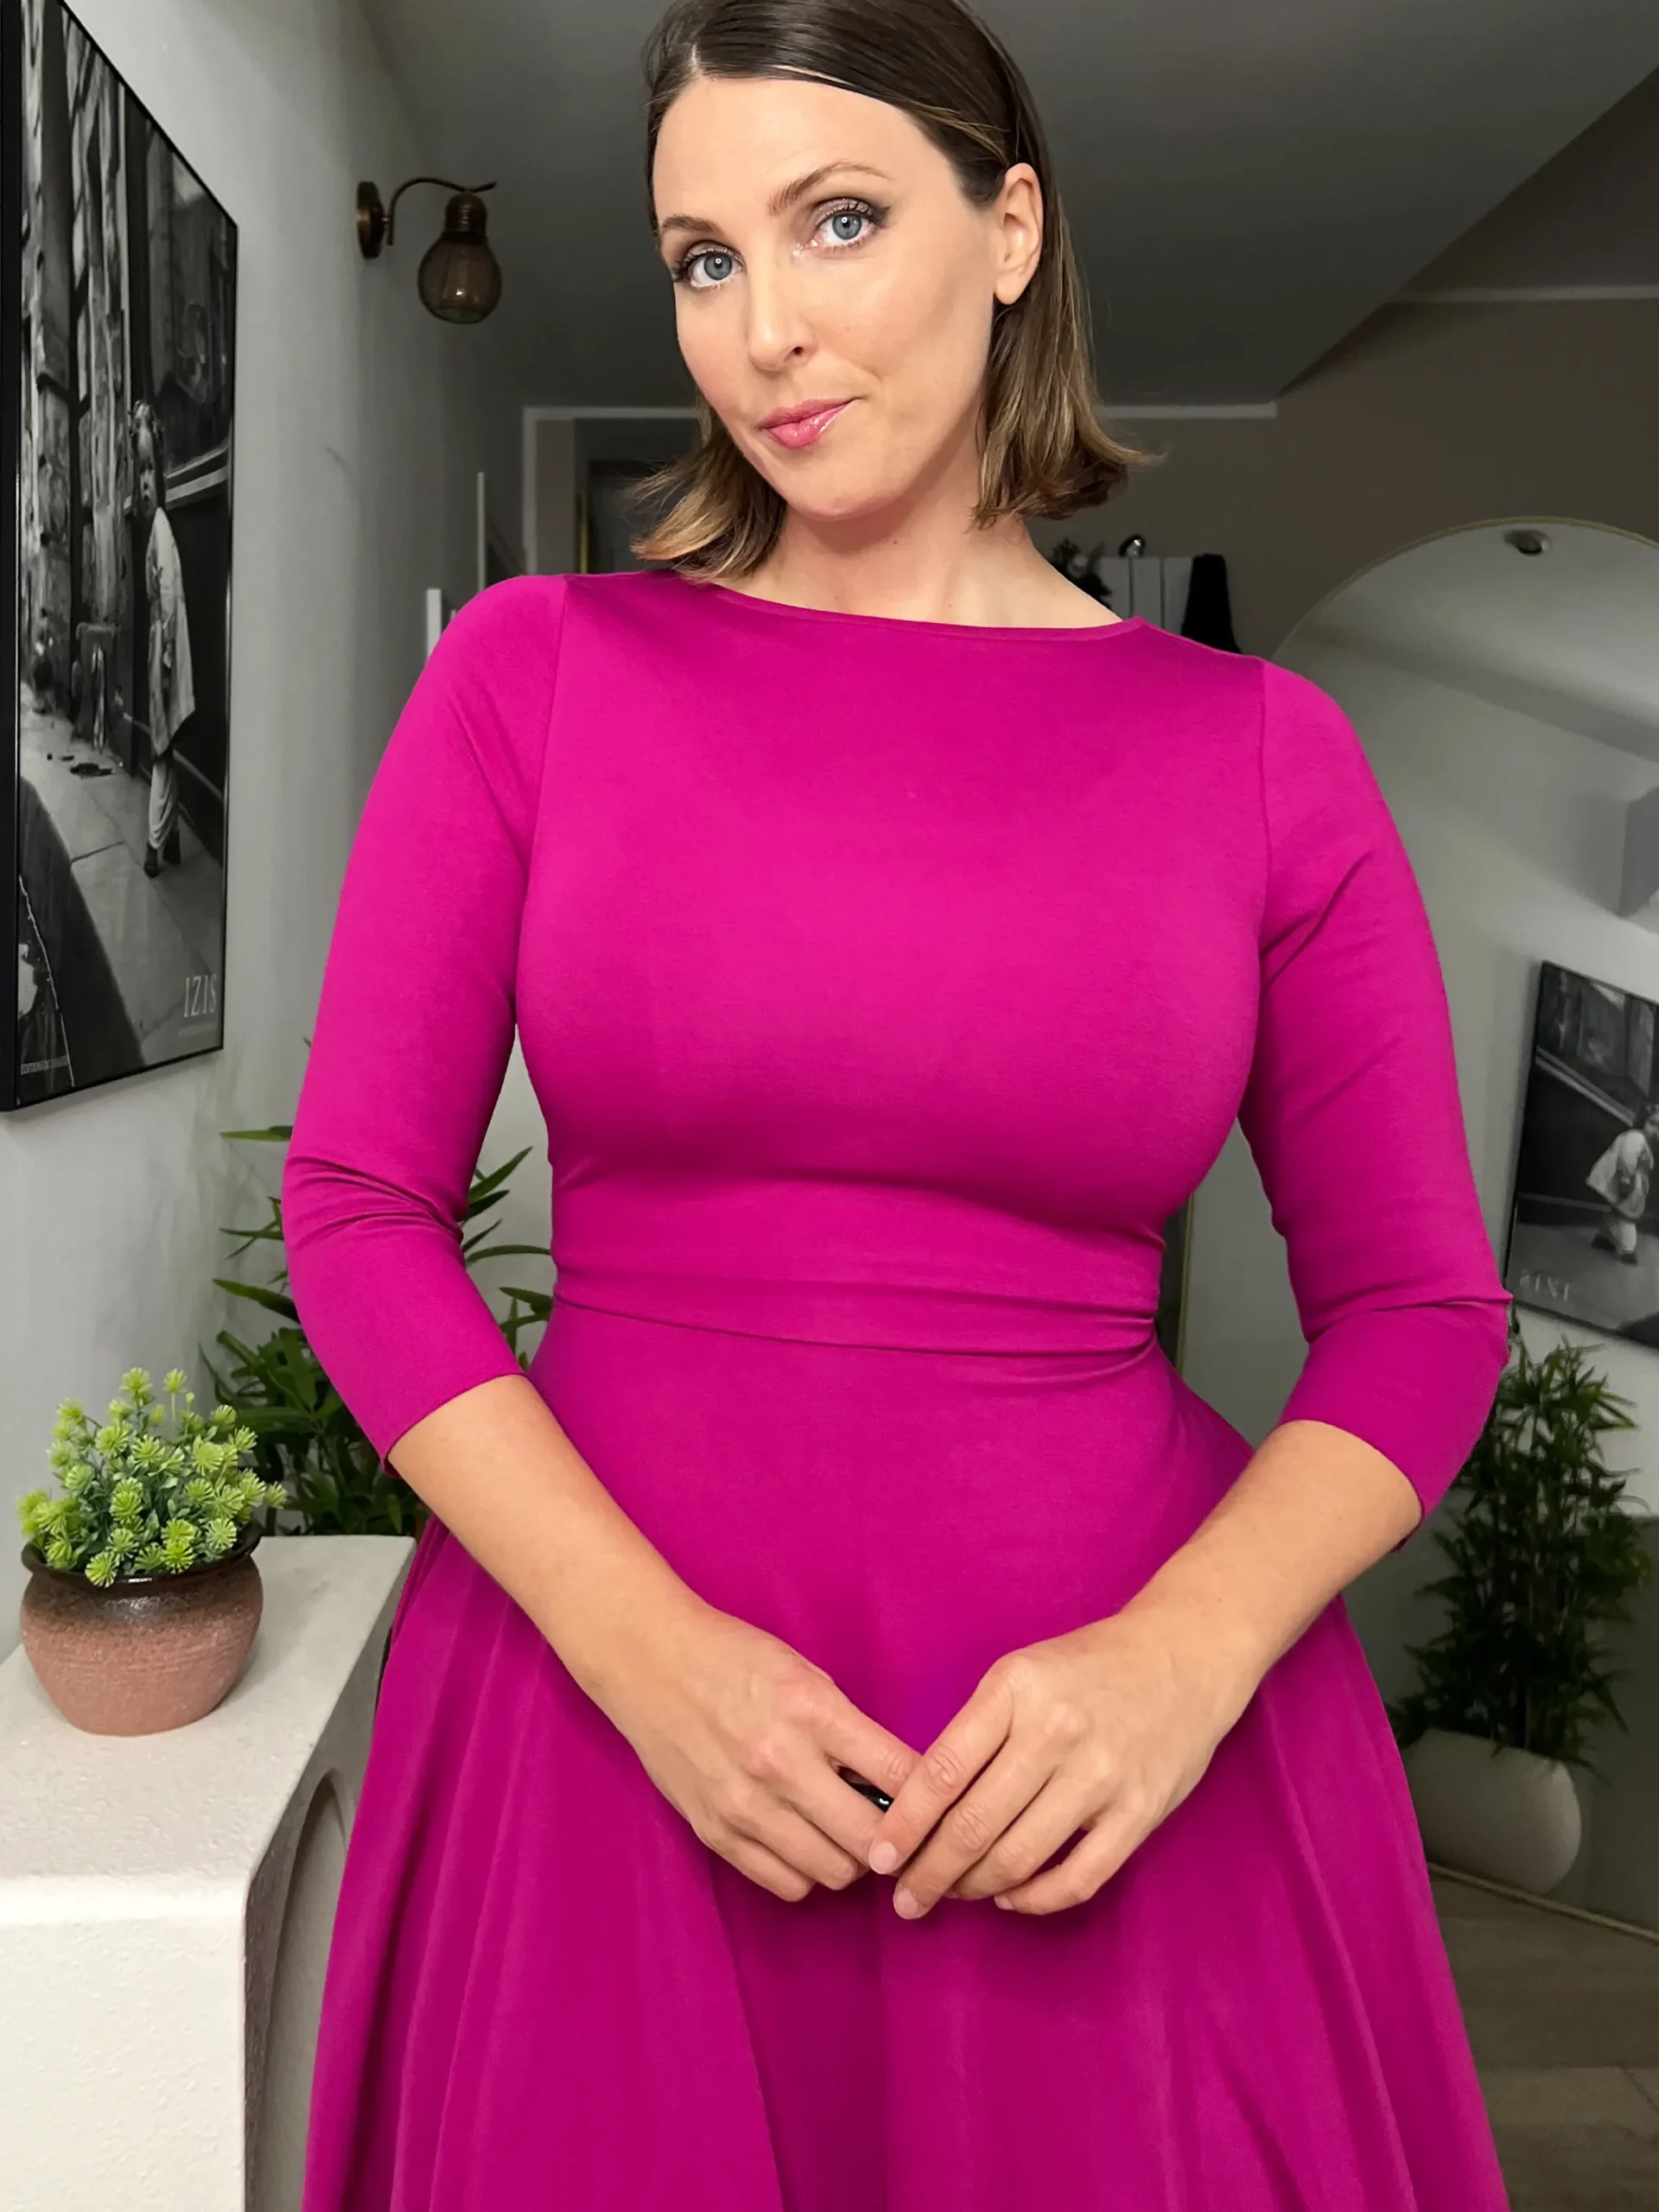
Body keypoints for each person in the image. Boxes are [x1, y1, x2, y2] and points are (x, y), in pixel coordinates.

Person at [282, 4, 1515, 2206]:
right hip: (605, 1729)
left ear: (1009, 226)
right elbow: (362, 1206)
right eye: (703, 256)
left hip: (1092, 1780)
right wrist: (648, 1655)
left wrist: (1179, 1663)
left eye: (836, 220)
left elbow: (1421, 1309)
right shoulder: (532, 679)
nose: (763, 325)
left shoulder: (1255, 758)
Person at [132, 402, 194, 878]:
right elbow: (164, 597)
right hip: (162, 643)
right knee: (164, 741)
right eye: (141, 473)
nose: (145, 483)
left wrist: (168, 652)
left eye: (151, 471)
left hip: (165, 645)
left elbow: (169, 596)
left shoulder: (160, 528)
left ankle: (159, 842)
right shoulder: (155, 528)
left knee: (163, 743)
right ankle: (166, 838)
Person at [1586, 1108, 1659, 1262]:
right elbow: (1627, 1158)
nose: (1655, 1130)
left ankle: (1603, 1237)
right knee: (1628, 1217)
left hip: (1635, 1182)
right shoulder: (1636, 1137)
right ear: (1643, 1121)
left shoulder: (1641, 1139)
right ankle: (1628, 1250)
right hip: (1632, 1182)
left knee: (1617, 1212)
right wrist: (1626, 1179)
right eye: (1653, 1124)